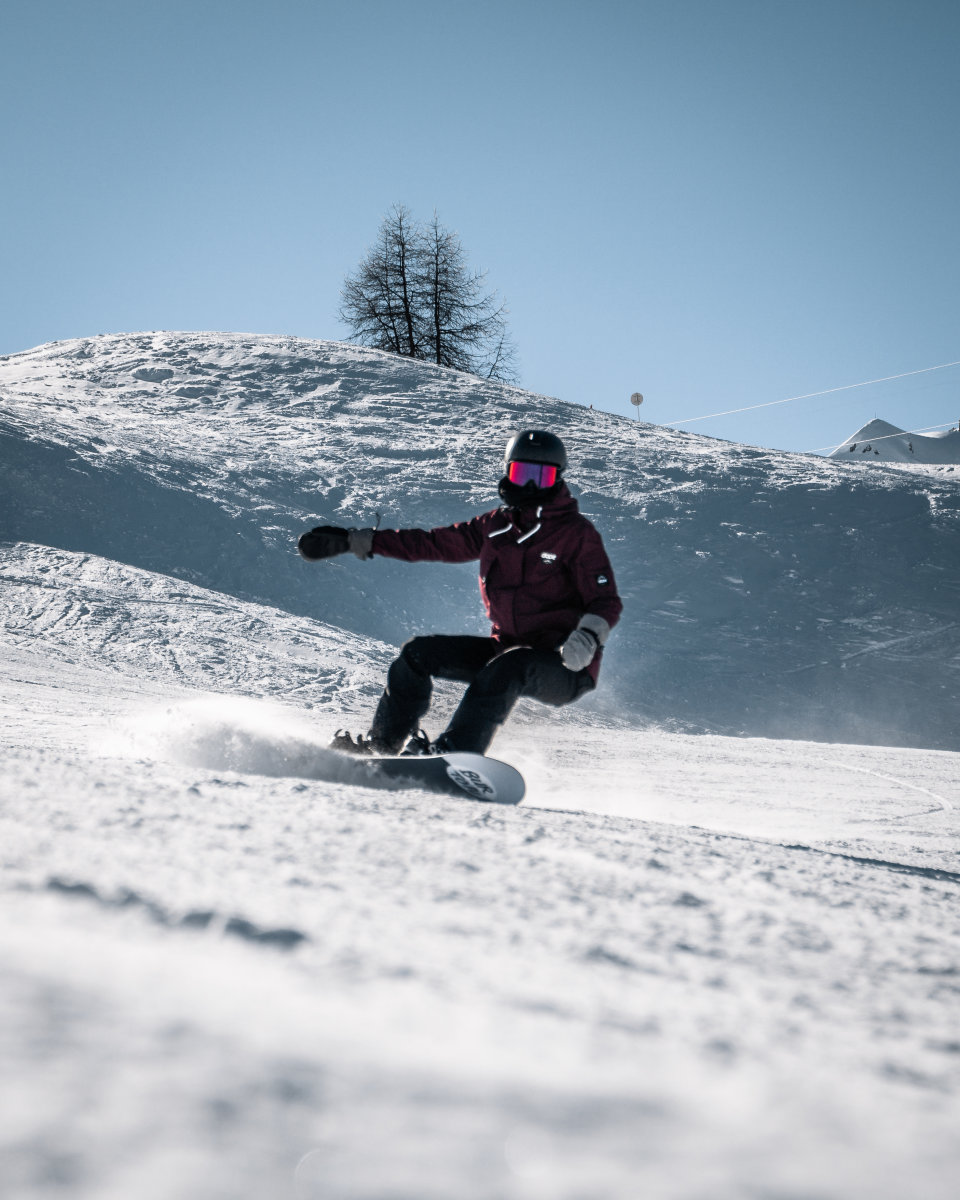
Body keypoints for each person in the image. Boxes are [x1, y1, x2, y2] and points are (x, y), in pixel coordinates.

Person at [297, 430, 623, 757]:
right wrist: (363, 541)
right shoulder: (495, 527)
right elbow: (433, 543)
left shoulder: (576, 534)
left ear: (558, 479)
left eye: (543, 476)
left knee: (509, 666)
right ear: (508, 472)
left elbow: (605, 599)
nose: (531, 487)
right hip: (505, 649)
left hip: (563, 664)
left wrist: (589, 637)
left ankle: (451, 752)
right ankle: (382, 745)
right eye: (522, 474)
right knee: (416, 654)